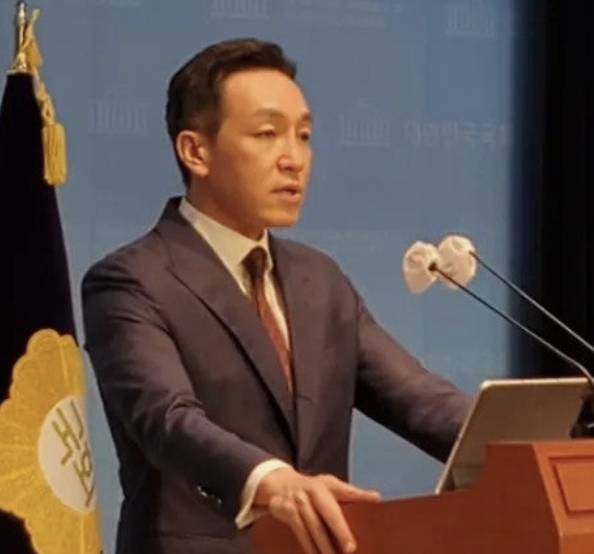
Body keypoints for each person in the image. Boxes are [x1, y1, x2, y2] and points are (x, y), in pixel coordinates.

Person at [81, 38, 472, 554]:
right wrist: (272, 481)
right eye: (267, 134)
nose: (294, 159)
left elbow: (420, 401)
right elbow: (167, 419)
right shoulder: (130, 281)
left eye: (303, 136)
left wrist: (539, 438)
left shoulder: (319, 280)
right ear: (195, 151)